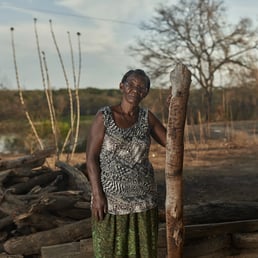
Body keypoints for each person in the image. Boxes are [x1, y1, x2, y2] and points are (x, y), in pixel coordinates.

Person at [86, 69, 167, 258]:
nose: (135, 90)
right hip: (110, 200)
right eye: (130, 84)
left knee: (143, 251)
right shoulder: (104, 116)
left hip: (143, 199)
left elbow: (173, 143)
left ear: (145, 92)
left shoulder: (147, 117)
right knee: (108, 251)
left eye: (141, 87)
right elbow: (91, 158)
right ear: (121, 86)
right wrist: (97, 195)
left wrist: (175, 109)